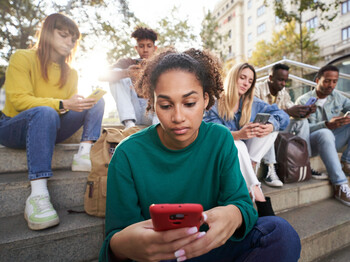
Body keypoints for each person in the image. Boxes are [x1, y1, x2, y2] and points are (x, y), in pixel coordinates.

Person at [99, 49, 301, 262]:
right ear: (152, 102)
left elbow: (243, 204)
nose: (178, 117)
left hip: (215, 246)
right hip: (163, 256)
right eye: (166, 105)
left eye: (189, 103)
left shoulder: (220, 139)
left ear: (205, 100)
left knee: (280, 233)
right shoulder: (127, 154)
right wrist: (124, 245)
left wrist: (234, 214)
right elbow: (114, 238)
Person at [0, 13, 105, 230]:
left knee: (95, 101)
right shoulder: (22, 57)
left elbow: (65, 107)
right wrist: (62, 103)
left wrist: (74, 103)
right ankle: (37, 197)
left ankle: (84, 153)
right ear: (47, 33)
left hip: (50, 126)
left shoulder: (72, 73)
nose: (70, 42)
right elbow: (19, 100)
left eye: (73, 39)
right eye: (63, 35)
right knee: (45, 112)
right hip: (13, 127)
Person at [203, 62, 289, 214]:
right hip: (221, 152)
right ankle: (258, 195)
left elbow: (283, 116)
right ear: (233, 77)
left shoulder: (253, 102)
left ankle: (248, 168)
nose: (246, 84)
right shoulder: (215, 104)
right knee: (238, 144)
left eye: (250, 81)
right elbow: (212, 133)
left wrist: (271, 125)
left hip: (247, 154)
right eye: (242, 78)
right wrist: (238, 135)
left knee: (271, 128)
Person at [255, 63, 327, 184]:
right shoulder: (257, 89)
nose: (283, 84)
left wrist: (304, 112)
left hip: (278, 130)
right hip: (261, 130)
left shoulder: (283, 92)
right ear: (270, 78)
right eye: (280, 80)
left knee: (302, 122)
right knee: (268, 123)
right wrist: (287, 112)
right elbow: (257, 115)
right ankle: (270, 168)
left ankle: (305, 162)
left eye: (285, 81)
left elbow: (292, 109)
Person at [296, 65, 350, 206]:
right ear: (317, 80)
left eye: (334, 81)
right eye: (327, 81)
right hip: (310, 144)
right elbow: (300, 131)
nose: (331, 85)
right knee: (325, 132)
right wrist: (326, 124)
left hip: (331, 142)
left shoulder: (338, 97)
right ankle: (340, 185)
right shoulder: (303, 101)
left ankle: (346, 162)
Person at [99, 26, 159, 128]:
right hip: (132, 110)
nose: (145, 50)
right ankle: (129, 124)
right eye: (141, 46)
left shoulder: (161, 62)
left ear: (155, 48)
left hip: (152, 112)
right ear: (136, 48)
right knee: (116, 73)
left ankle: (157, 128)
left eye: (149, 46)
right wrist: (126, 73)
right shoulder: (127, 62)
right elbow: (101, 76)